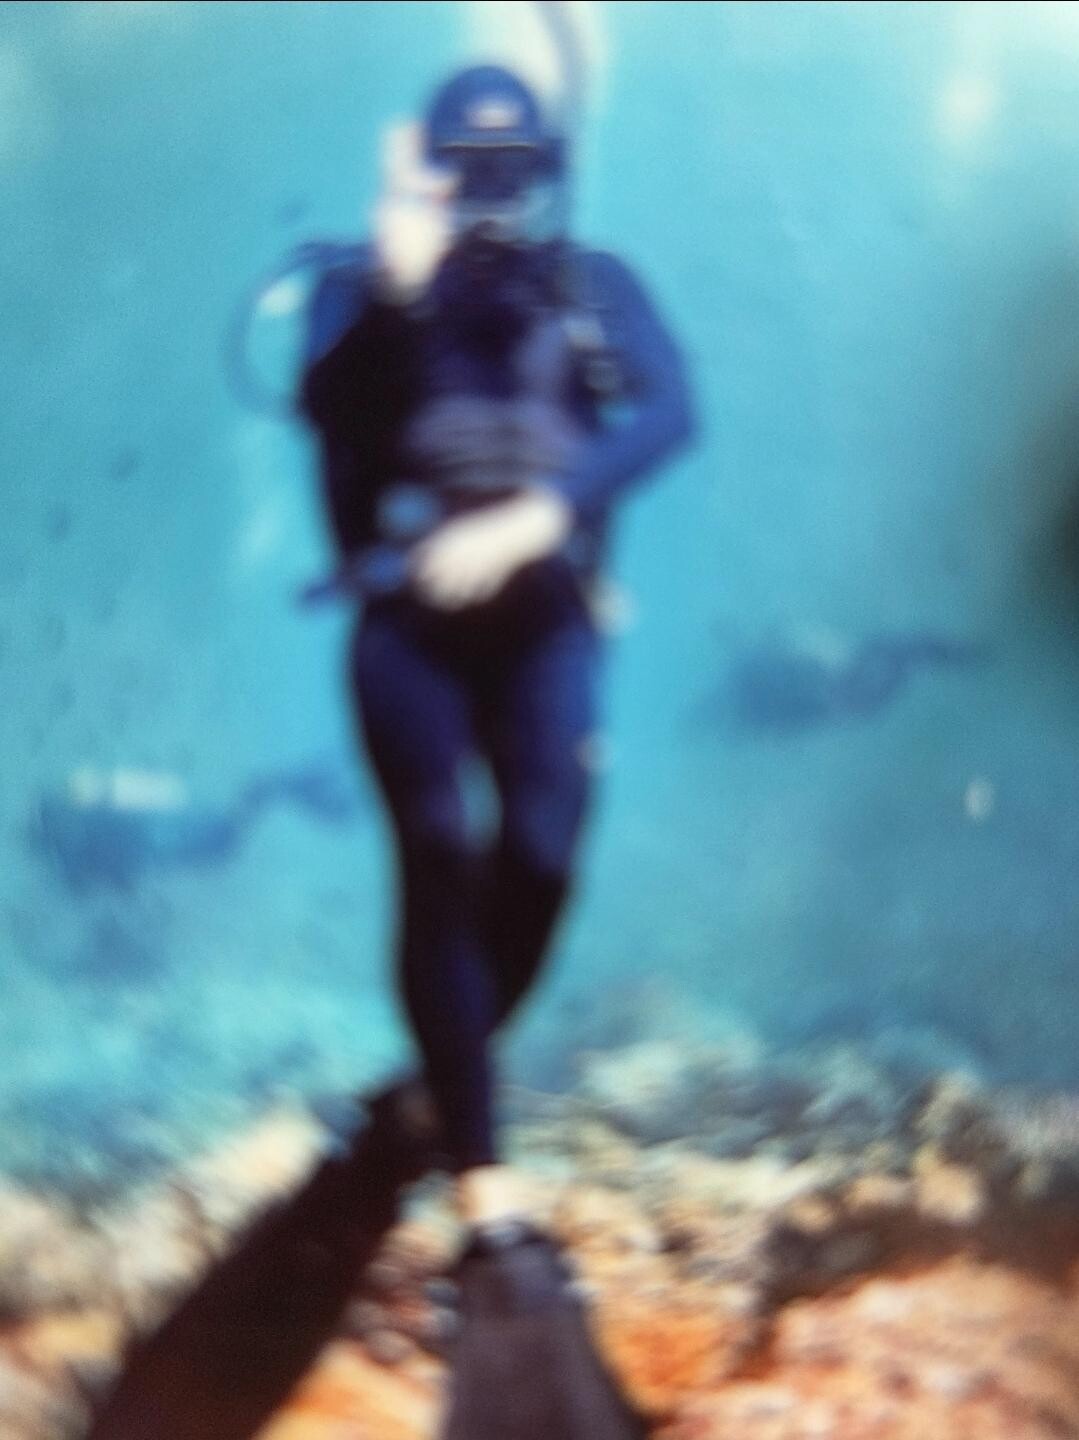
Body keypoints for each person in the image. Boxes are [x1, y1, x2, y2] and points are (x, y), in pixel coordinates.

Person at [299, 62, 694, 1437]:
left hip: (544, 621)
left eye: (511, 175)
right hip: (408, 624)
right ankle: (479, 1173)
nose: (489, 202)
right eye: (463, 173)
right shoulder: (360, 288)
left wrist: (545, 515)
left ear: (547, 177)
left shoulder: (593, 284)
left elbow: (670, 412)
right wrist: (394, 289)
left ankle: (439, 1073)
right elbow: (324, 413)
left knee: (541, 853)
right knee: (437, 853)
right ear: (422, 170)